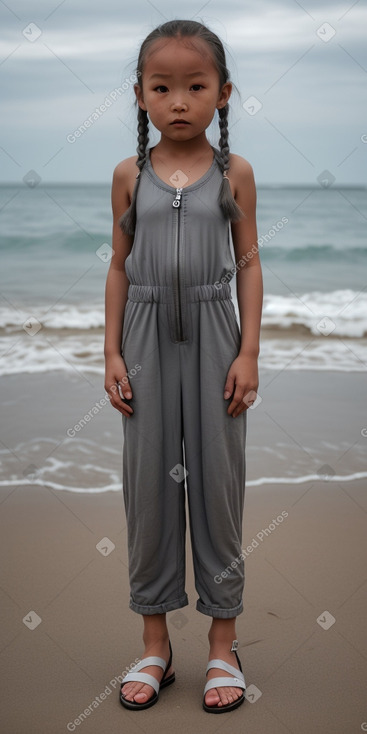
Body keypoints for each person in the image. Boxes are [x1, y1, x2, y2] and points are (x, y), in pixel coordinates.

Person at [104, 18, 263, 714]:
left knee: (217, 485)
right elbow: (117, 265)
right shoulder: (128, 176)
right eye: (161, 86)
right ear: (138, 94)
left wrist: (248, 351)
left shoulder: (235, 173)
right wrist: (110, 351)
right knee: (147, 490)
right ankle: (154, 641)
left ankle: (223, 643)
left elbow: (251, 265)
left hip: (213, 335)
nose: (177, 101)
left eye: (194, 86)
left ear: (222, 93)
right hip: (142, 338)